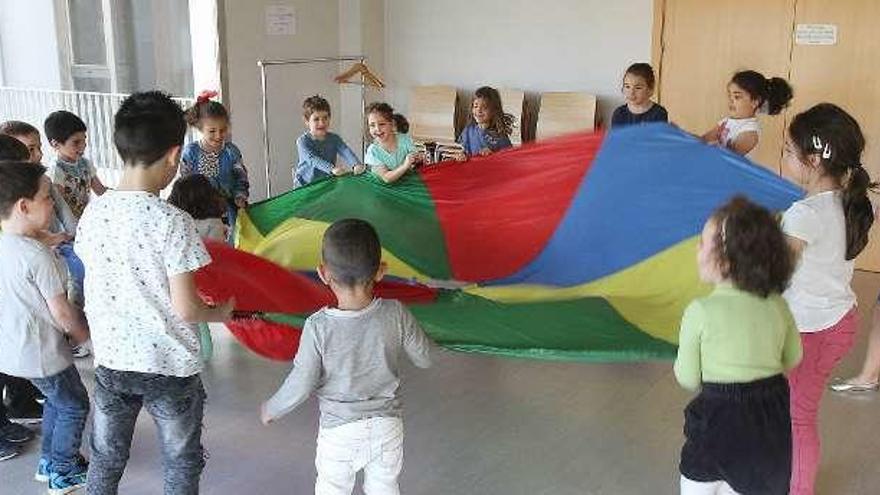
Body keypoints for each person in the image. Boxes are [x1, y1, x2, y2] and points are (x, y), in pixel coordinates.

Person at [77, 91, 234, 494]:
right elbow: (187, 308)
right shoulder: (172, 221)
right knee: (181, 461)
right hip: (169, 368)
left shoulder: (94, 213)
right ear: (174, 154)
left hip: (113, 362)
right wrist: (223, 313)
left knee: (107, 457)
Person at [261, 218, 433, 495]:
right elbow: (424, 358)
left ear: (323, 273)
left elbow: (302, 381)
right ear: (381, 271)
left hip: (339, 432)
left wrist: (273, 408)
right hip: (387, 427)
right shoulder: (396, 313)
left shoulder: (318, 327)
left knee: (332, 489)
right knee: (385, 489)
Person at [675, 196, 801, 495]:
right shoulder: (778, 305)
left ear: (726, 261)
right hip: (768, 423)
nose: (697, 249)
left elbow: (688, 378)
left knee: (700, 484)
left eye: (702, 243)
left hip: (718, 420)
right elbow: (794, 357)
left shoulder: (700, 311)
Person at [780, 103, 875, 494]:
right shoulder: (851, 200)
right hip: (836, 323)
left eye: (788, 150)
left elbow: (774, 272)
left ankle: (798, 489)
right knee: (794, 412)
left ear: (814, 159)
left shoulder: (804, 213)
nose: (783, 156)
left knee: (797, 418)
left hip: (809, 331)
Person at [0, 161, 91, 492]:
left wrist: (51, 237)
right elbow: (63, 314)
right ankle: (62, 470)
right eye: (46, 197)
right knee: (74, 404)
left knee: (57, 401)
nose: (53, 202)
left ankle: (50, 460)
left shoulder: (7, 244)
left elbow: (33, 239)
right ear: (24, 206)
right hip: (45, 352)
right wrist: (87, 339)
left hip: (14, 351)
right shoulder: (37, 257)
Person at [167, 173, 230, 361]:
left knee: (184, 315)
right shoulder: (213, 222)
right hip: (203, 278)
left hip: (177, 276)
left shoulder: (175, 220)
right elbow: (218, 253)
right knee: (197, 316)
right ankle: (200, 354)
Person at [181, 90, 250, 231]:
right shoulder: (191, 152)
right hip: (198, 214)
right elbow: (185, 183)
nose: (218, 135)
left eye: (223, 130)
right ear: (201, 128)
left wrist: (240, 196)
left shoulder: (231, 151)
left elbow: (241, 178)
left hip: (229, 213)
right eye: (212, 131)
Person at [701, 70, 792, 157]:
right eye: (730, 95)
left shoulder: (750, 131)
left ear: (755, 101)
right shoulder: (726, 121)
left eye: (737, 97)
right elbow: (703, 140)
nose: (731, 100)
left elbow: (730, 158)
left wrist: (713, 147)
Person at [44, 110, 107, 218]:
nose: (83, 146)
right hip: (70, 226)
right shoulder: (56, 171)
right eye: (76, 142)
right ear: (56, 144)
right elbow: (61, 208)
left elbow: (100, 190)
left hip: (86, 219)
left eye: (84, 140)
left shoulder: (85, 163)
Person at [294, 95, 365, 187]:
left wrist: (356, 164)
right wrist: (332, 168)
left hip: (325, 183)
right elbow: (312, 159)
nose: (322, 123)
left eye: (325, 118)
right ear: (307, 121)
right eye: (316, 119)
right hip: (305, 185)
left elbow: (345, 150)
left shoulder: (334, 138)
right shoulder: (303, 141)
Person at [364, 102, 422, 184]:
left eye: (382, 124)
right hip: (381, 188)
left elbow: (415, 157)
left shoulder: (404, 140)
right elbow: (386, 178)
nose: (377, 129)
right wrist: (405, 166)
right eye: (372, 125)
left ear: (392, 124)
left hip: (403, 184)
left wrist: (416, 158)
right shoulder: (373, 151)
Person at [456, 86, 514, 157]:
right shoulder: (468, 131)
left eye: (484, 107)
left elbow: (508, 157)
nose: (479, 110)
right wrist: (462, 155)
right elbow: (465, 151)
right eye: (475, 106)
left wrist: (493, 154)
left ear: (494, 110)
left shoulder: (500, 136)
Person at [610, 63, 668, 127]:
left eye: (638, 88)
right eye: (627, 86)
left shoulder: (659, 113)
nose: (631, 92)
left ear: (650, 89)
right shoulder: (619, 114)